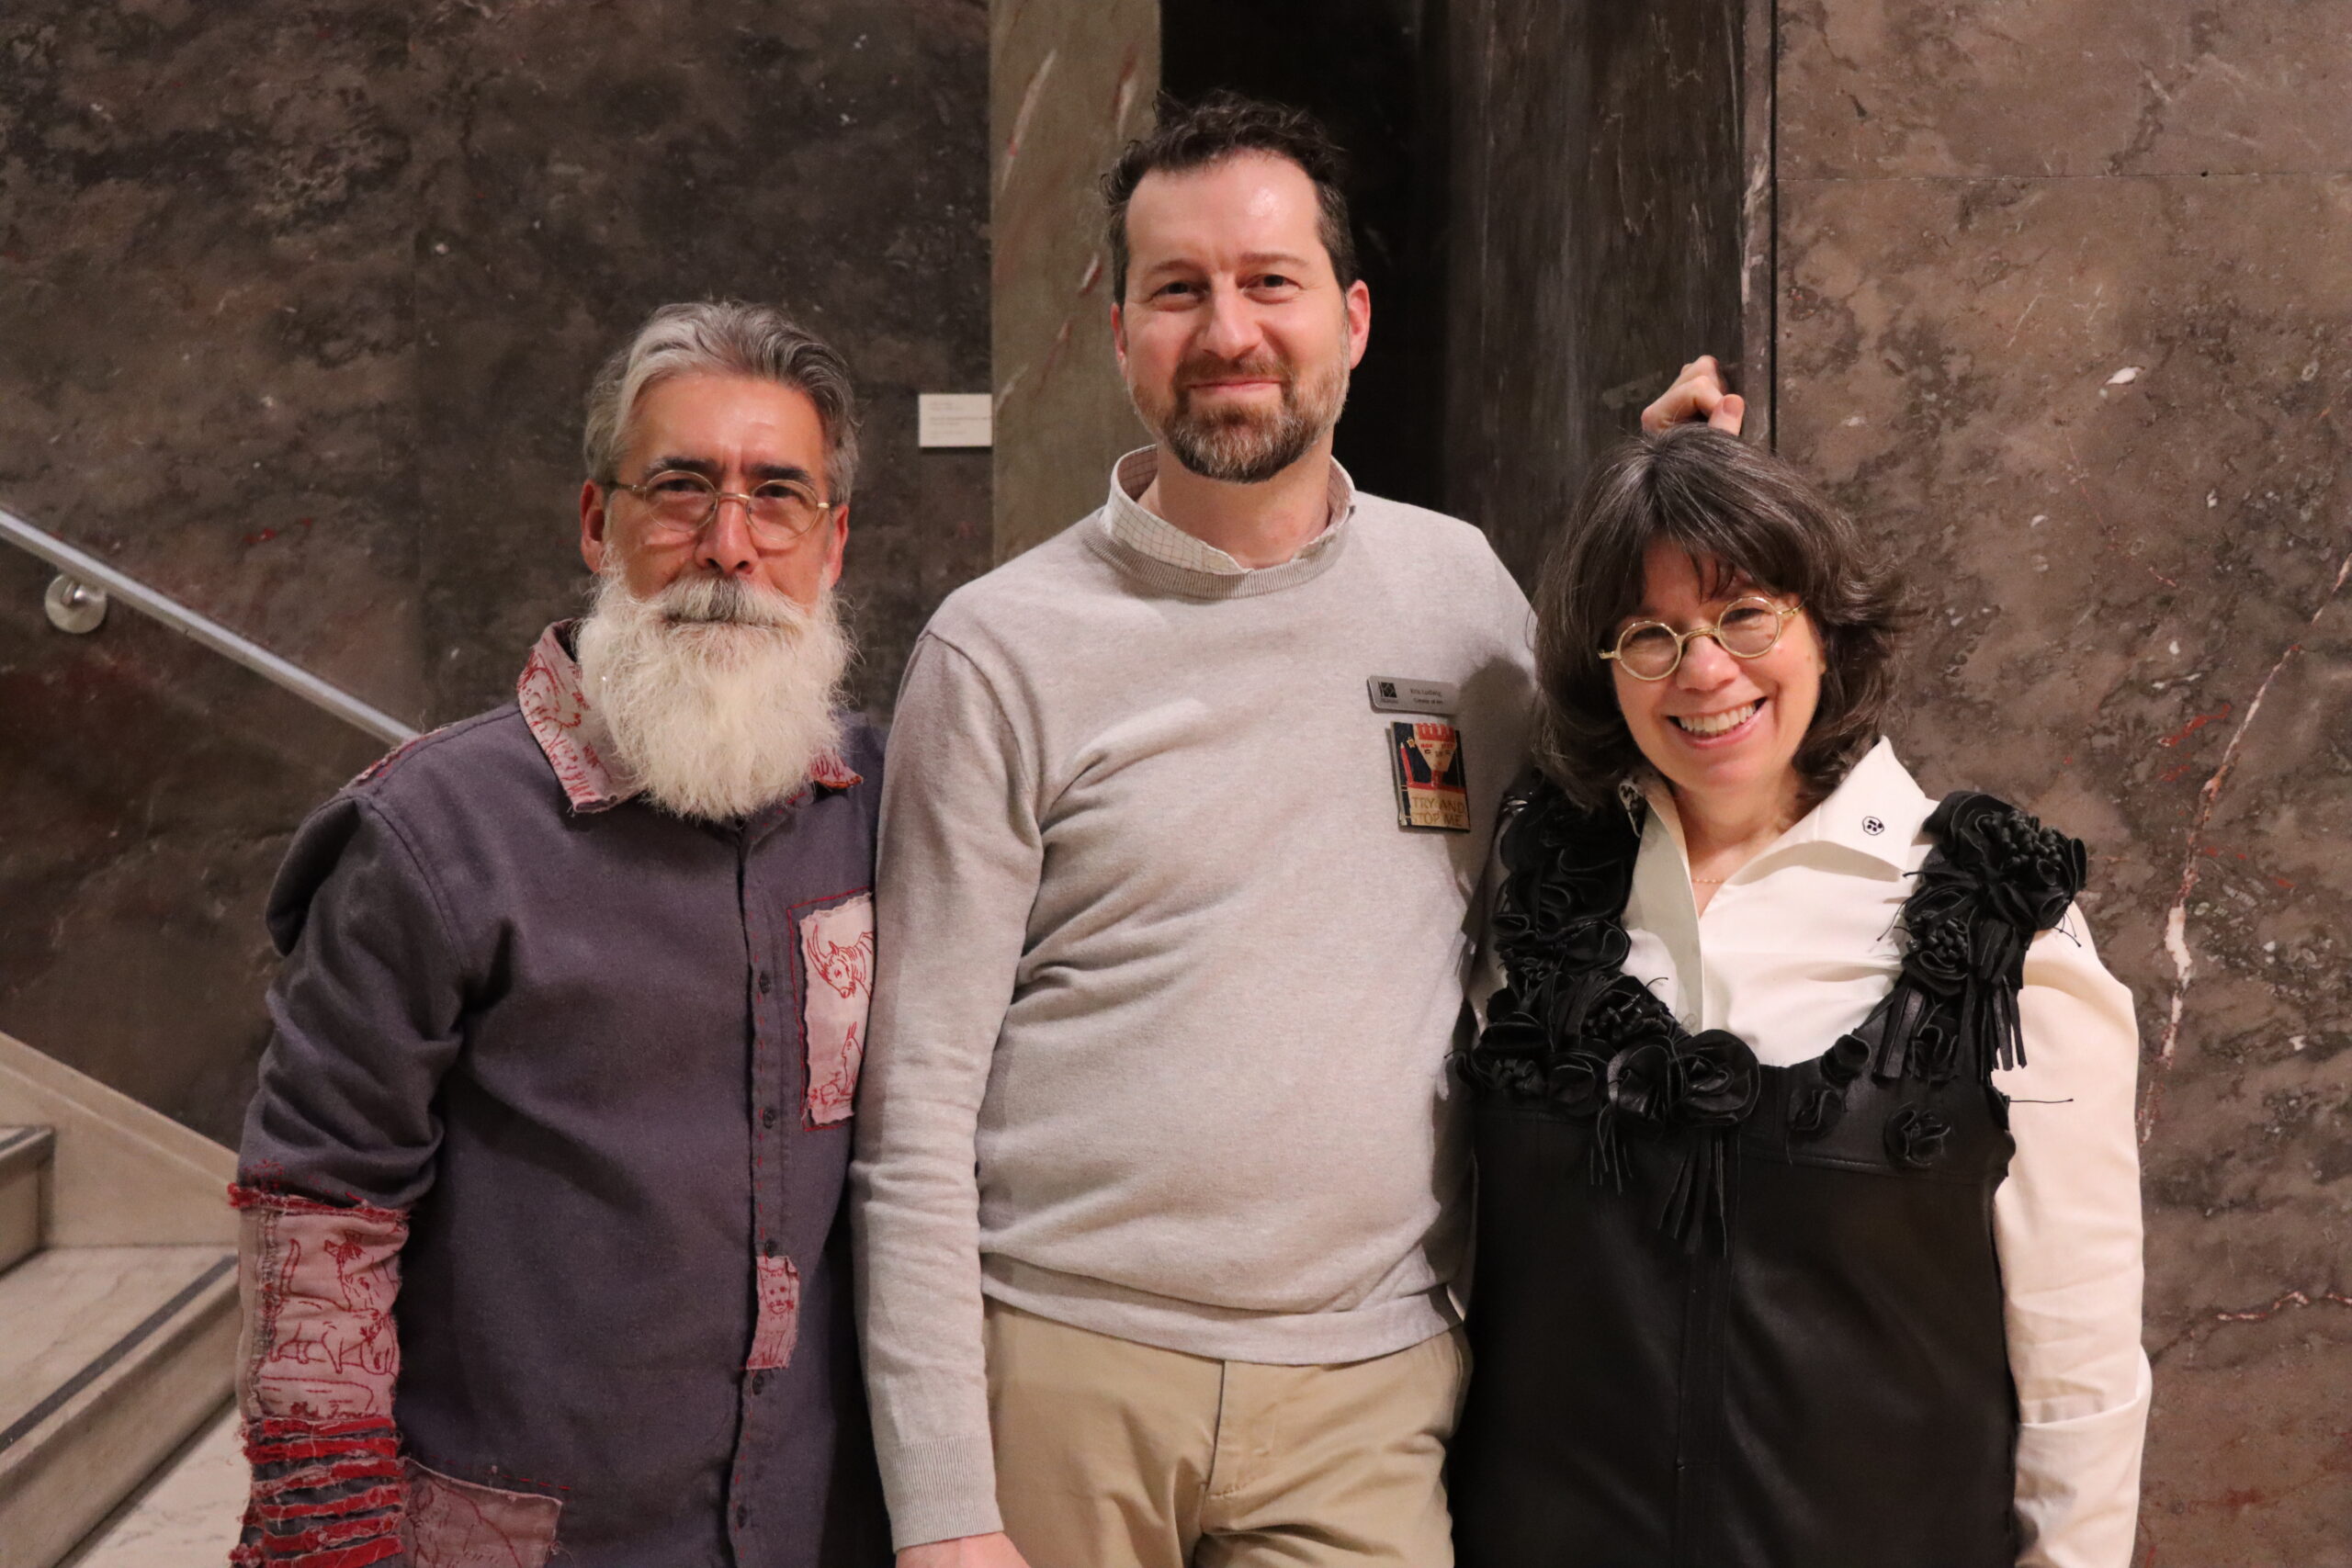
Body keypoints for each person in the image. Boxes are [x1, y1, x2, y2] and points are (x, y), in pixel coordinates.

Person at [851, 94, 1539, 1568]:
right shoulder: (999, 648)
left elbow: (1618, 839)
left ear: (1353, 318)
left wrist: (1688, 508)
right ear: (1119, 336)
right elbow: (913, 1105)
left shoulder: (1468, 600)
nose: (1229, 330)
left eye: (1270, 280)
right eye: (1178, 289)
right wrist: (944, 1502)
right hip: (1062, 1367)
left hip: (1371, 1390)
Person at [232, 301, 888, 1568]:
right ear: (597, 522)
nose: (729, 545)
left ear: (833, 542)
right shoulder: (434, 832)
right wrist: (330, 1541)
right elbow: (317, 1212)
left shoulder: (878, 807)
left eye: (777, 496)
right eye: (680, 489)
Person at [1447, 424, 2149, 1566]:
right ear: (1604, 669)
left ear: (1826, 625)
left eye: (1745, 614)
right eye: (1650, 635)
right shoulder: (1536, 904)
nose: (1703, 670)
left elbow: (2081, 1372)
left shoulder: (1999, 930)